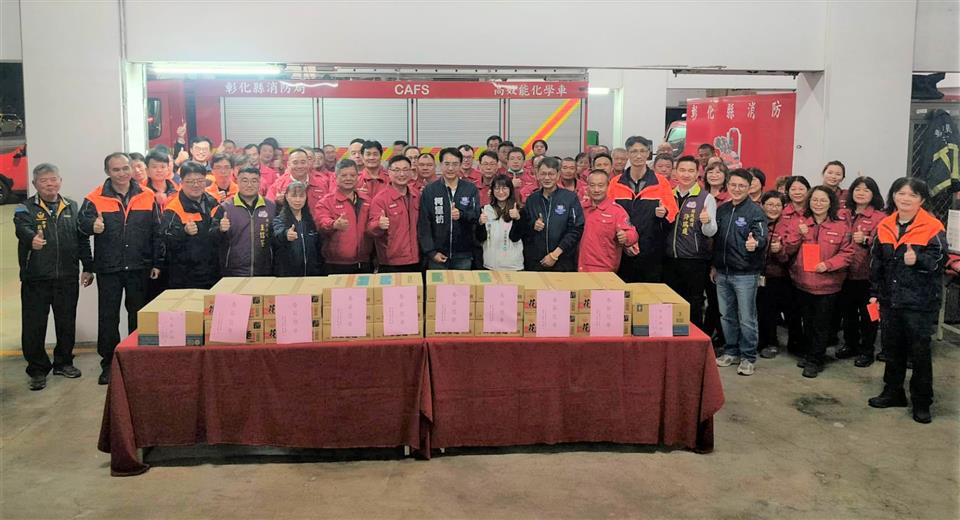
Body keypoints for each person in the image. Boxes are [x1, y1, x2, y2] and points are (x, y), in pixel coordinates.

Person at [79, 152, 161, 385]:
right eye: (116, 169)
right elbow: (81, 229)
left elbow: (156, 232)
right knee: (108, 317)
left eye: (126, 168)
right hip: (109, 268)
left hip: (139, 266)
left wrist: (157, 262)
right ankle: (109, 364)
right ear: (108, 172)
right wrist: (91, 226)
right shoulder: (94, 198)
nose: (122, 173)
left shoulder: (147, 195)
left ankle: (138, 360)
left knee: (138, 315)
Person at [868, 177, 945, 424]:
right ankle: (893, 392)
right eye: (901, 193)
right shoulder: (885, 225)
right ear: (893, 196)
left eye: (912, 195)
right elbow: (876, 263)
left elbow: (939, 261)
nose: (905, 199)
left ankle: (922, 402)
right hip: (890, 299)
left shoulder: (932, 226)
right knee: (892, 349)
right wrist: (874, 292)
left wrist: (918, 260)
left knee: (919, 353)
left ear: (921, 200)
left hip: (919, 302)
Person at [15, 163, 94, 390]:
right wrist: (32, 239)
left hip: (67, 276)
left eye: (53, 179)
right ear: (35, 184)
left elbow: (81, 239)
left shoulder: (72, 205)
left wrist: (88, 266)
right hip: (36, 278)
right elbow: (22, 228)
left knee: (66, 322)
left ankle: (64, 362)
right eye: (43, 181)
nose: (49, 184)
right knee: (34, 326)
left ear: (60, 181)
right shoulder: (24, 208)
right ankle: (37, 369)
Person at [777, 185, 854, 378]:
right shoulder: (799, 223)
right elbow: (787, 251)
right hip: (802, 283)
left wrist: (828, 264)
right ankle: (810, 353)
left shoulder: (841, 226)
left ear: (830, 203)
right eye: (814, 200)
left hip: (828, 287)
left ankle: (815, 360)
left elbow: (847, 254)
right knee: (807, 323)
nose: (818, 203)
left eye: (823, 200)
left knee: (821, 325)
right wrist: (798, 235)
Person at [711, 168, 767, 377]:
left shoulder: (755, 211)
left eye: (741, 186)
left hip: (745, 274)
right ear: (728, 185)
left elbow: (762, 237)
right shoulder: (722, 210)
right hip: (722, 272)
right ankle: (731, 351)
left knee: (747, 318)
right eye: (733, 185)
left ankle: (748, 357)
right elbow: (716, 240)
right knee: (727, 316)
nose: (737, 189)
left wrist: (756, 243)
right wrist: (714, 266)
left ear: (749, 188)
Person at [608, 136, 679, 283]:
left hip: (651, 249)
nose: (638, 155)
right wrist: (625, 240)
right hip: (622, 248)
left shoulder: (661, 182)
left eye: (642, 151)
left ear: (648, 154)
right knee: (623, 291)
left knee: (649, 291)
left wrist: (664, 213)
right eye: (634, 151)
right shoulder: (615, 183)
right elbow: (609, 213)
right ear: (628, 154)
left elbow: (673, 212)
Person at [835, 177, 886, 366]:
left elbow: (885, 246)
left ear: (874, 194)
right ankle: (850, 344)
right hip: (844, 274)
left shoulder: (880, 217)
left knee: (870, 315)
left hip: (869, 277)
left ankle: (867, 350)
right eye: (857, 189)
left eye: (866, 190)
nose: (861, 193)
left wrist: (866, 240)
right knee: (847, 312)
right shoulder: (842, 213)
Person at [663, 156, 718, 328]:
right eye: (682, 170)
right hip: (669, 259)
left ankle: (695, 337)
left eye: (690, 171)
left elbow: (711, 232)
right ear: (675, 172)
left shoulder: (706, 198)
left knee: (693, 303)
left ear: (697, 174)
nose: (686, 174)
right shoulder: (668, 195)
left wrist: (707, 222)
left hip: (694, 260)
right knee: (670, 301)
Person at [515, 157, 585, 272]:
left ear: (558, 175)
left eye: (551, 174)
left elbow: (576, 229)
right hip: (536, 262)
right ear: (537, 175)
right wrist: (533, 225)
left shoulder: (570, 198)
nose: (547, 178)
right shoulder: (532, 199)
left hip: (562, 261)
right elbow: (524, 229)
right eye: (543, 174)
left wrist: (555, 254)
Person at [160, 161, 221, 289]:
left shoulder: (213, 202)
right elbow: (165, 240)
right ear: (181, 182)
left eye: (200, 180)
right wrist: (184, 231)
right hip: (185, 275)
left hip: (213, 271)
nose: (196, 185)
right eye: (190, 181)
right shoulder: (173, 207)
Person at [418, 148, 480, 270]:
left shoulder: (470, 189)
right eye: (447, 164)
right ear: (440, 165)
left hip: (463, 255)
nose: (450, 168)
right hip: (437, 255)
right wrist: (431, 252)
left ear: (460, 165)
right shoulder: (430, 190)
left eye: (455, 164)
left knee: (462, 283)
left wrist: (461, 215)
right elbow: (424, 224)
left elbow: (476, 215)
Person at [212, 167, 276, 277]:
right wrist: (220, 229)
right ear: (237, 181)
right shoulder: (225, 208)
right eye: (245, 180)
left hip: (264, 272)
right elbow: (211, 237)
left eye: (254, 181)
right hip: (232, 273)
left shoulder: (271, 207)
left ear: (259, 182)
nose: (249, 185)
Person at [316, 159, 374, 274]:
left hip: (365, 262)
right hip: (336, 264)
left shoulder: (367, 200)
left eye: (352, 175)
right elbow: (321, 223)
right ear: (336, 177)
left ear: (357, 177)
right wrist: (334, 224)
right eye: (344, 175)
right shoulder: (326, 202)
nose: (348, 178)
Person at [367, 155, 421, 273]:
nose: (401, 174)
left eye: (405, 170)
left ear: (411, 172)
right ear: (389, 173)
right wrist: (378, 225)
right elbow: (371, 230)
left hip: (417, 259)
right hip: (391, 262)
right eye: (396, 170)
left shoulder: (416, 195)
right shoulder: (381, 199)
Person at [578, 170, 638, 272]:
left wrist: (626, 236)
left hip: (604, 268)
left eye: (600, 185)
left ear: (608, 186)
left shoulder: (617, 211)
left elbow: (633, 234)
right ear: (587, 187)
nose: (596, 190)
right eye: (592, 185)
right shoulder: (580, 208)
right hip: (578, 266)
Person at [758, 191, 791, 359]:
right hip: (754, 273)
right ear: (762, 205)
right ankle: (757, 340)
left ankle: (771, 342)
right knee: (756, 310)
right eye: (770, 204)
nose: (773, 208)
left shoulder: (787, 226)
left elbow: (789, 256)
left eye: (778, 205)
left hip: (777, 275)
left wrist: (779, 250)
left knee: (770, 311)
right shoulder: (756, 221)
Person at [272, 181, 323, 276]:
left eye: (301, 196)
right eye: (294, 196)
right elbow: (277, 233)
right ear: (286, 197)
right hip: (288, 276)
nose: (298, 200)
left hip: (311, 274)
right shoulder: (280, 219)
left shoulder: (310, 221)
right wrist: (286, 234)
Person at [475, 175, 524, 271]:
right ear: (492, 191)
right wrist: (480, 224)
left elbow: (516, 237)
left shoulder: (519, 210)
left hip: (513, 265)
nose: (501, 192)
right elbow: (480, 238)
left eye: (504, 188)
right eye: (497, 188)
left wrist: (518, 219)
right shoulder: (485, 209)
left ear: (510, 190)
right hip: (490, 264)